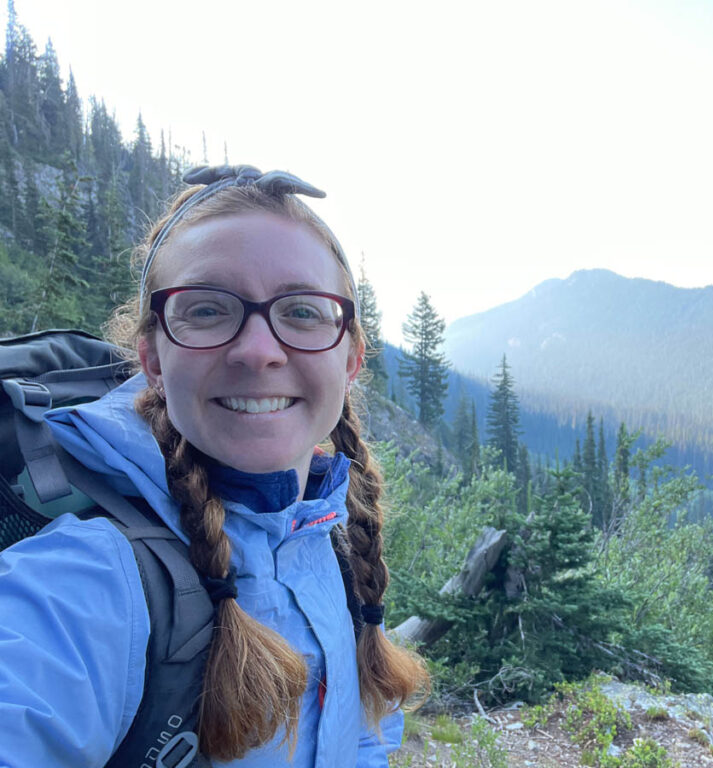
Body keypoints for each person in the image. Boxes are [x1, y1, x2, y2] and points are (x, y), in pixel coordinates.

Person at [0, 165, 427, 766]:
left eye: (302, 312)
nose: (257, 351)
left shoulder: (325, 537)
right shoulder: (88, 579)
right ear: (152, 357)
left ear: (351, 358)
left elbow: (360, 736)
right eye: (206, 311)